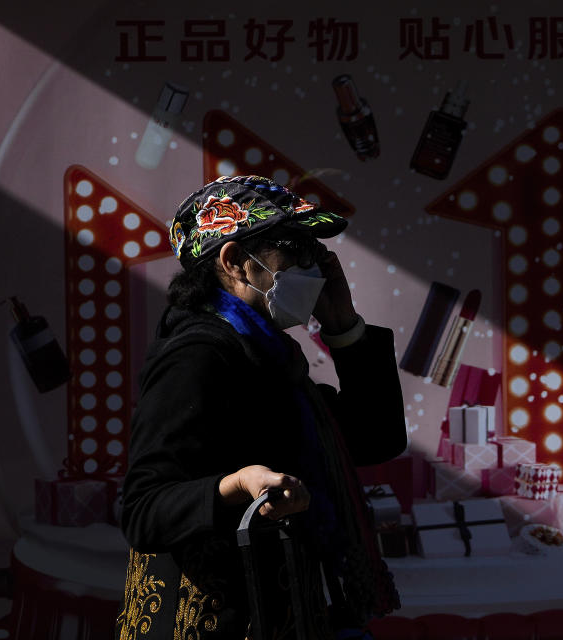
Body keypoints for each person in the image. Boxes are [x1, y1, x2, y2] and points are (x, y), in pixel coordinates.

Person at [115, 175, 405, 639]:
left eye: (316, 255)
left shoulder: (271, 358)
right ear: (235, 262)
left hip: (288, 615)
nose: (313, 270)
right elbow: (143, 509)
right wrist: (236, 485)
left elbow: (376, 437)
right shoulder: (198, 354)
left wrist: (344, 328)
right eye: (297, 252)